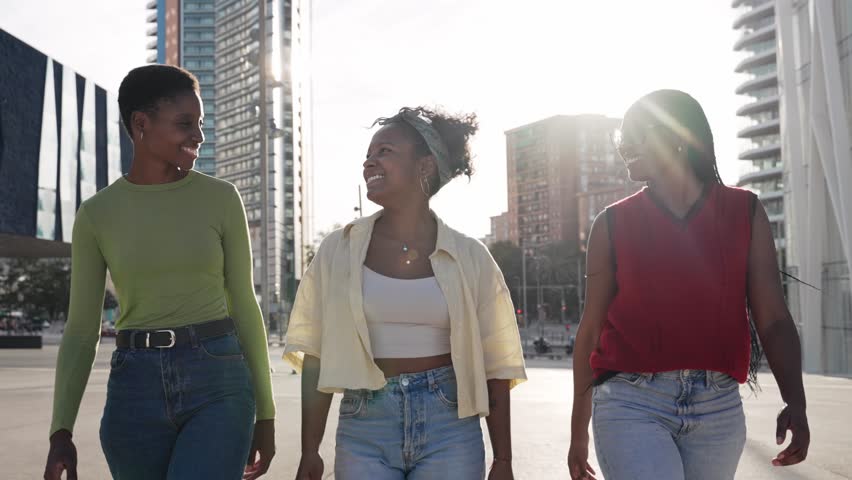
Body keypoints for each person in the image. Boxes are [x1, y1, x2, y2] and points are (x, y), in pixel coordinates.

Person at [43, 65, 276, 480]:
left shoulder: (222, 199)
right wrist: (61, 430)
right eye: (185, 124)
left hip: (218, 380)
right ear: (141, 124)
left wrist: (267, 412)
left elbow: (244, 304)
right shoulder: (96, 214)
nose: (199, 136)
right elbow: (81, 329)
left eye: (200, 124)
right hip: (133, 388)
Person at [568, 90, 810, 480]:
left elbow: (774, 319)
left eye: (637, 134)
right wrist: (578, 433)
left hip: (719, 409)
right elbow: (590, 331)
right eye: (621, 138)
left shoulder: (745, 210)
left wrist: (795, 401)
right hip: (632, 404)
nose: (625, 146)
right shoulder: (611, 223)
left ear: (678, 136)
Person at [284, 106, 527, 479]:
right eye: (368, 154)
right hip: (365, 426)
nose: (369, 162)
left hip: (450, 425)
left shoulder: (471, 257)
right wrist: (309, 450)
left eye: (384, 151)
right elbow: (315, 352)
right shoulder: (338, 249)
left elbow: (496, 363)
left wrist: (504, 460)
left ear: (424, 166)